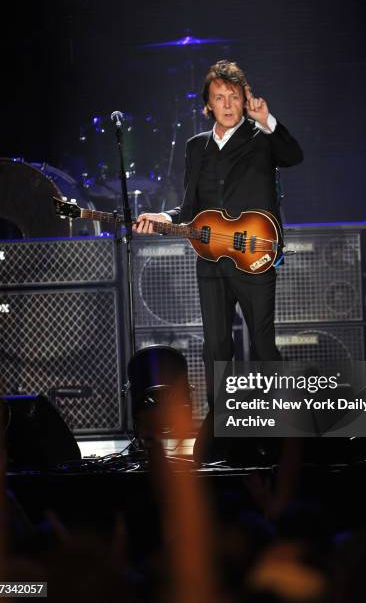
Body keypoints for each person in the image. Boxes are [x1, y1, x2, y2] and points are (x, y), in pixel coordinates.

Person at [134, 60, 303, 462]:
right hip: (210, 258)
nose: (227, 105)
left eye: (234, 97)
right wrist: (163, 218)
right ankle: (223, 425)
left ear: (245, 100)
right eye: (219, 99)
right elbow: (190, 207)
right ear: (208, 106)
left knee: (263, 343)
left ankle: (274, 425)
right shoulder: (196, 146)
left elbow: (294, 155)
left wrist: (269, 121)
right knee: (217, 346)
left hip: (254, 255)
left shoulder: (261, 136)